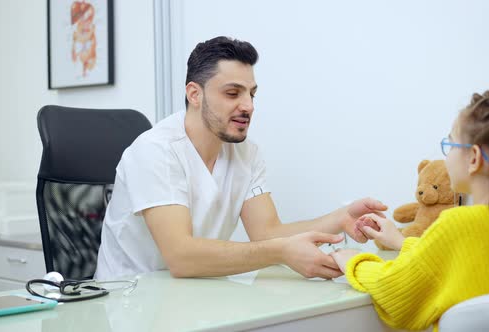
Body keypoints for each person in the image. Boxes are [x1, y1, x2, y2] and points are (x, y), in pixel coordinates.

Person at [94, 36, 385, 280]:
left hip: (195, 298)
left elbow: (267, 232)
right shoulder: (156, 150)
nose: (248, 106)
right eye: (233, 93)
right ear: (194, 95)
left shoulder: (246, 152)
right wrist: (281, 251)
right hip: (130, 303)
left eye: (252, 94)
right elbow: (181, 257)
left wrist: (340, 217)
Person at [330, 89, 489, 331]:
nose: (446, 157)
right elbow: (460, 263)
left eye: (450, 144)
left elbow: (394, 290)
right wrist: (400, 241)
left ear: (474, 158)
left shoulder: (457, 223)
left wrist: (353, 261)